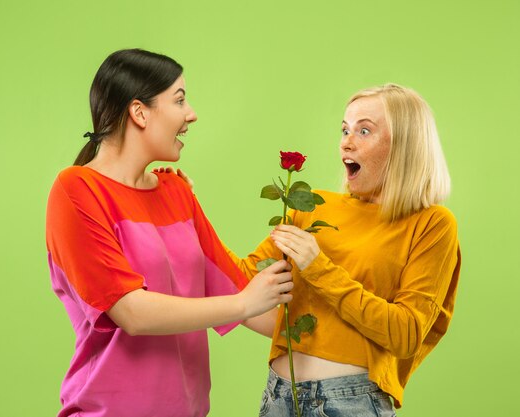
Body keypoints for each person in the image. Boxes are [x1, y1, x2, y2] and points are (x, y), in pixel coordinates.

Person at [166, 83, 460, 416]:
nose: (347, 141)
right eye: (346, 129)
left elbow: (405, 335)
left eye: (365, 131)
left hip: (351, 402)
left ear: (405, 145)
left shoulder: (432, 224)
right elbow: (240, 279)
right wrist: (187, 210)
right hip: (279, 396)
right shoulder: (312, 207)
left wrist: (318, 266)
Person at [45, 49, 293, 417]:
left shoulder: (176, 192)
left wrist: (345, 327)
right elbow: (132, 311)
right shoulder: (77, 190)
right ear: (140, 112)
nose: (191, 113)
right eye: (179, 99)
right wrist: (245, 303)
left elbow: (238, 288)